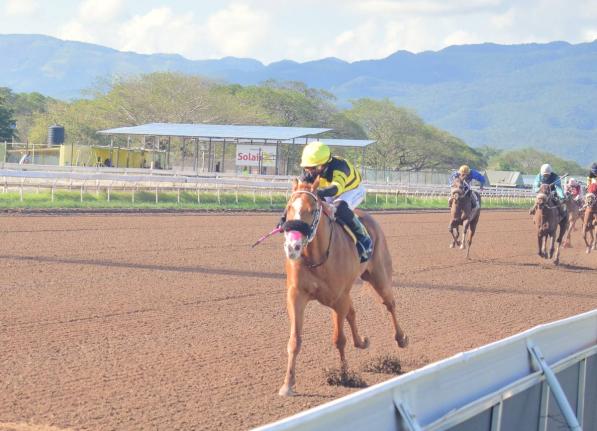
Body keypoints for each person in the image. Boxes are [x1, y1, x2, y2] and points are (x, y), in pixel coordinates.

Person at [279, 141, 373, 262]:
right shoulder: (309, 171)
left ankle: (364, 239)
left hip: (351, 190)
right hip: (326, 190)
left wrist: (317, 193)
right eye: (306, 167)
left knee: (339, 208)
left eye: (312, 168)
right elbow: (297, 196)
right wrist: (283, 218)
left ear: (323, 165)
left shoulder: (339, 167)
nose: (308, 171)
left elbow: (336, 189)